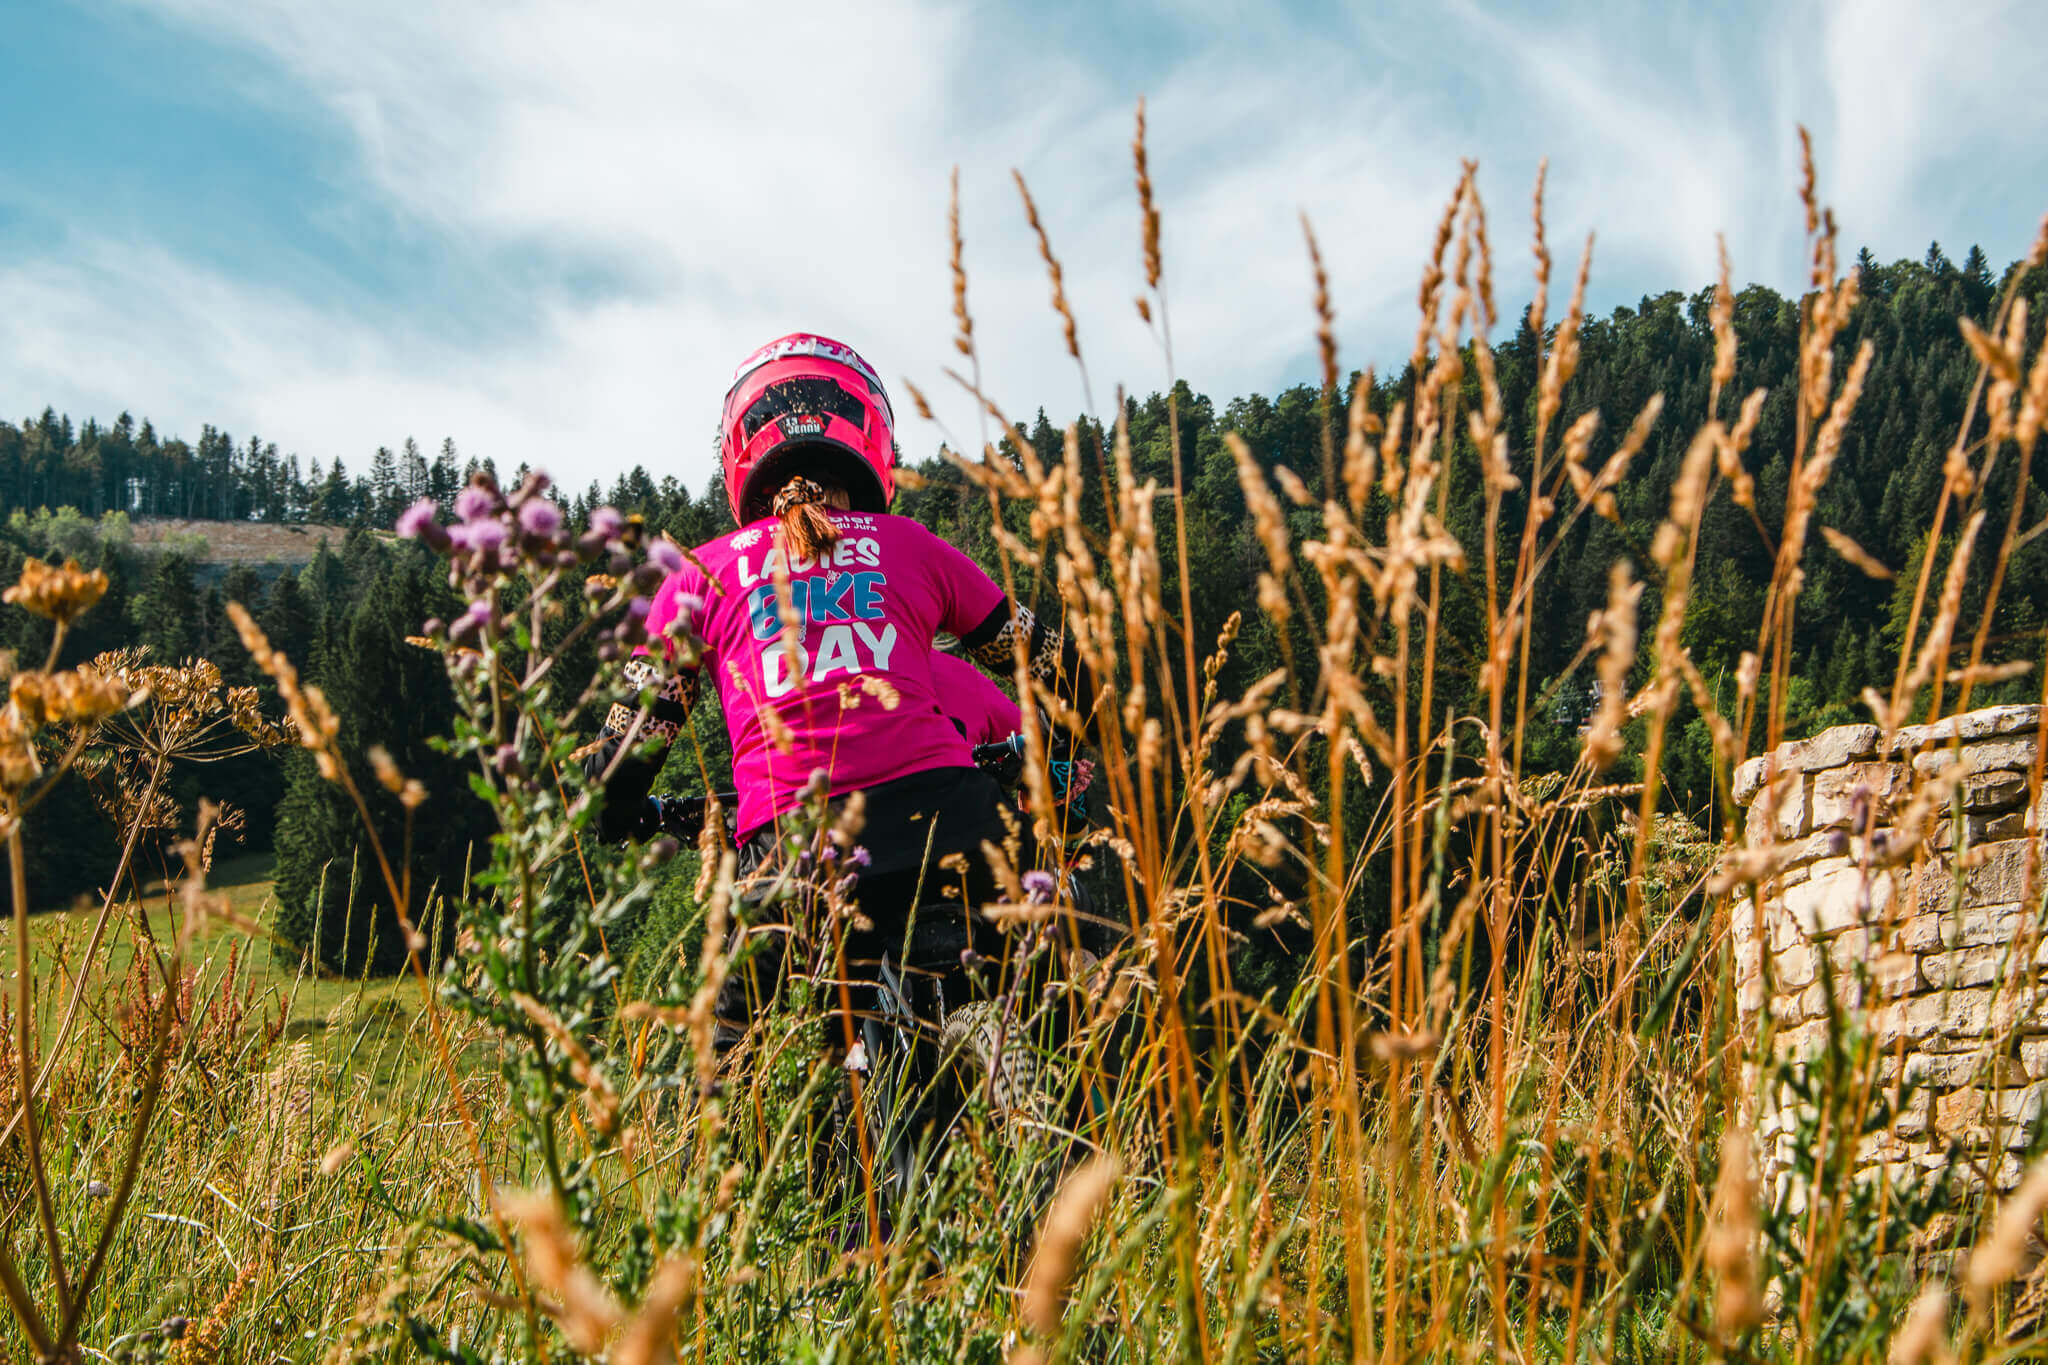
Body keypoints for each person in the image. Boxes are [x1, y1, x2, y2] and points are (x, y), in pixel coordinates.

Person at [578, 332, 1091, 1046]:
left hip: (796, 855)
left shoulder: (701, 575)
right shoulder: (913, 544)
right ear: (872, 440)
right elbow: (1062, 669)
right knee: (1062, 981)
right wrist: (1054, 754)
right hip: (955, 819)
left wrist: (623, 810)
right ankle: (1079, 1129)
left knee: (735, 1072)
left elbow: (628, 749)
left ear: (740, 455)